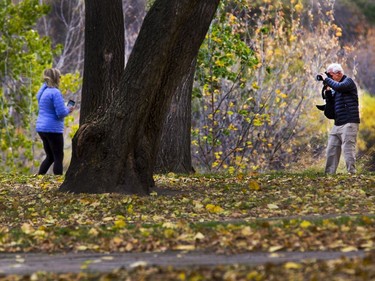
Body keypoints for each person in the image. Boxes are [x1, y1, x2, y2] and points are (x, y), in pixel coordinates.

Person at [319, 63, 360, 174]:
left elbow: (339, 87)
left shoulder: (348, 82)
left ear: (339, 73)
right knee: (331, 150)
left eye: (330, 75)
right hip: (338, 124)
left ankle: (352, 174)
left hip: (349, 122)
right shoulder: (335, 88)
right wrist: (327, 91)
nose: (329, 78)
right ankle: (329, 174)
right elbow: (330, 112)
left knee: (348, 149)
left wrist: (327, 80)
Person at [36, 68, 74, 175]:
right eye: (59, 76)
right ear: (55, 78)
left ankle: (39, 177)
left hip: (42, 128)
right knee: (58, 156)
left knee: (50, 156)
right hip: (52, 129)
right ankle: (57, 181)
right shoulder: (55, 92)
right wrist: (68, 109)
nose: (60, 78)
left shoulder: (43, 92)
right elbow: (61, 113)